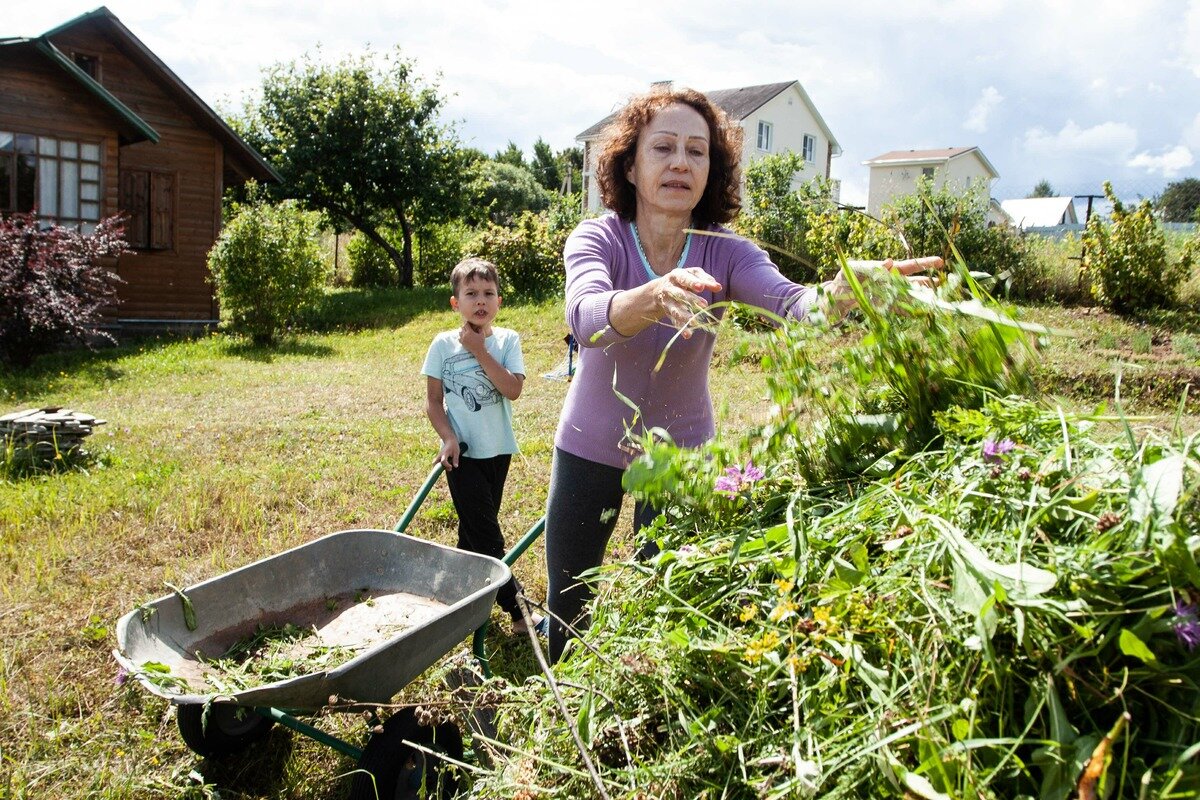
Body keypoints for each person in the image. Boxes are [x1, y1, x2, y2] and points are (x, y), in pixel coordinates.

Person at [545, 86, 940, 661]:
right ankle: (559, 716)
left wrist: (846, 289)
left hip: (683, 457)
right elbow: (587, 319)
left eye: (697, 151)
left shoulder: (727, 253)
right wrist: (653, 297)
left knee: (663, 606)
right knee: (569, 606)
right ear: (630, 165)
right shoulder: (598, 238)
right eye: (663, 148)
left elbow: (792, 306)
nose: (681, 162)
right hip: (591, 446)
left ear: (713, 167)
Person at [422, 257, 542, 635]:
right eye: (471, 293)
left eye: (488, 293)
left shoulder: (508, 341)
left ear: (499, 302)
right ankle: (520, 612)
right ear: (455, 303)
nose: (480, 301)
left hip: (498, 452)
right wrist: (448, 437)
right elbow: (433, 401)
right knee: (489, 536)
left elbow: (513, 389)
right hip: (463, 455)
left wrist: (479, 350)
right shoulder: (442, 345)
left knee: (474, 534)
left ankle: (460, 599)